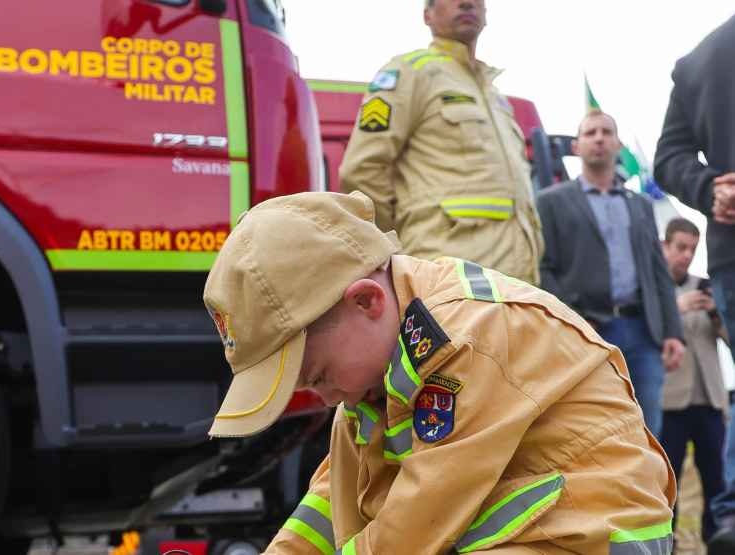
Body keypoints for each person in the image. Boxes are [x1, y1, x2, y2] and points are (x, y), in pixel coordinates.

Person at [203, 190, 675, 554]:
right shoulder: (371, 369)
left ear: (367, 301)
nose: (326, 399)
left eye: (319, 375)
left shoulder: (470, 336)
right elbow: (333, 494)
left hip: (596, 539)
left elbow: (415, 523)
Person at [338, 0, 542, 286]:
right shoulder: (410, 72)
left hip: (519, 281)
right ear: (427, 15)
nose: (467, 2)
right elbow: (360, 169)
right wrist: (399, 247)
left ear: (485, 14)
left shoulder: (496, 97)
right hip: (449, 279)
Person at [536, 110, 686, 438]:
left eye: (606, 132)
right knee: (596, 431)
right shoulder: (550, 202)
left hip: (645, 334)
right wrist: (572, 321)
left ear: (618, 145)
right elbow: (542, 268)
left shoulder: (641, 206)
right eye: (591, 133)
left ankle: (646, 491)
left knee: (648, 433)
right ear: (576, 146)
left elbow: (659, 272)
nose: (599, 138)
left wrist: (674, 331)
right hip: (589, 331)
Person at [653, 16, 735, 552]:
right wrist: (711, 188)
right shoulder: (701, 63)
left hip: (710, 396)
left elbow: (670, 160)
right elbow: (668, 159)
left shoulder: (700, 59)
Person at [660, 218, 729, 544]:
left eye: (692, 248)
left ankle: (720, 542)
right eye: (681, 247)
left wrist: (720, 312)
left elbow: (729, 341)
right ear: (665, 246)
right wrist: (676, 309)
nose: (687, 255)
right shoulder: (655, 291)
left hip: (711, 401)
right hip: (670, 402)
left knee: (717, 481)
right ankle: (666, 547)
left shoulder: (708, 287)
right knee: (667, 481)